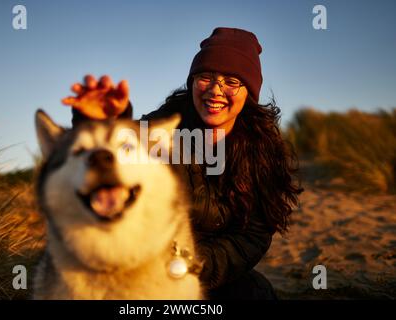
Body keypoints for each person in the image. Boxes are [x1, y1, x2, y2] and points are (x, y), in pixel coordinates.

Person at [62, 27, 302, 299]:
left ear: (249, 91)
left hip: (203, 271)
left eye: (231, 81)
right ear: (192, 83)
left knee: (257, 293)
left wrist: (193, 264)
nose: (215, 90)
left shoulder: (262, 149)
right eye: (205, 77)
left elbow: (253, 234)